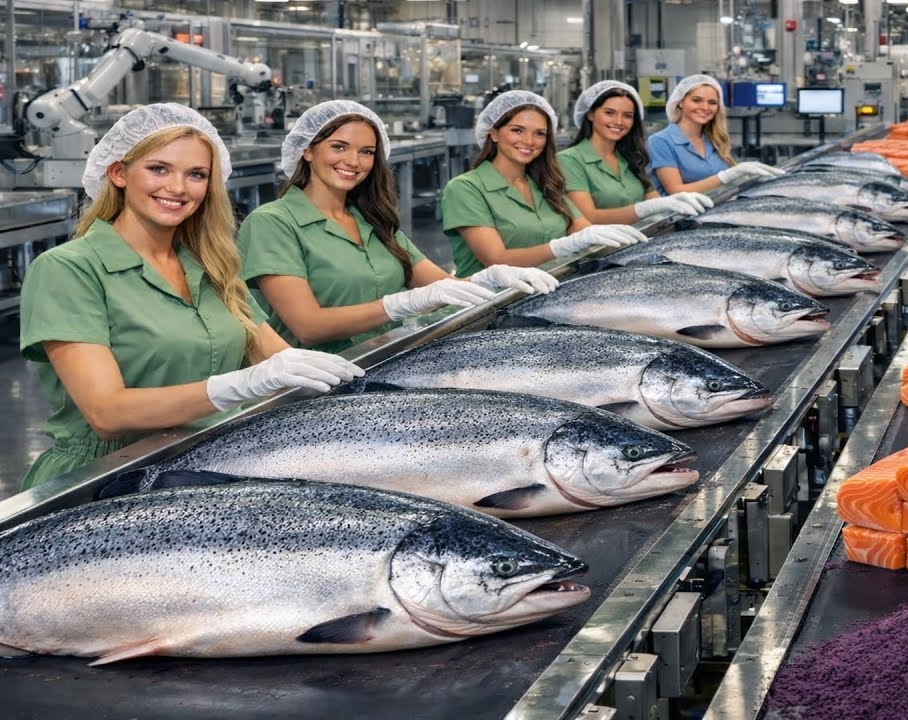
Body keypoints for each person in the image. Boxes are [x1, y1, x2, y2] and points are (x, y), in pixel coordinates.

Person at [18, 103, 362, 490]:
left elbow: (277, 358)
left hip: (203, 461)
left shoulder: (210, 267)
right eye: (158, 169)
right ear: (118, 173)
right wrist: (239, 386)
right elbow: (107, 412)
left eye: (196, 174)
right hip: (104, 478)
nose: (178, 188)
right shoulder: (68, 270)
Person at [238, 100, 557, 355]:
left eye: (366, 152)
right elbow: (308, 326)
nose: (354, 161)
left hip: (381, 359)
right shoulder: (272, 222)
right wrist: (400, 304)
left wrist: (490, 278)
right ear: (307, 150)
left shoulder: (371, 220)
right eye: (339, 147)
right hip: (313, 385)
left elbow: (443, 285)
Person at [442, 90, 648, 278]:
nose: (529, 141)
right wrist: (561, 247)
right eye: (517, 130)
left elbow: (582, 229)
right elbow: (495, 259)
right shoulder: (465, 188)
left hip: (550, 288)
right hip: (492, 300)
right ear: (493, 133)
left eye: (540, 133)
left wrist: (601, 236)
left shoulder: (544, 182)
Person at [561, 80, 714, 224]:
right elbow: (588, 217)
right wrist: (642, 210)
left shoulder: (630, 158)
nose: (619, 121)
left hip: (642, 239)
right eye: (609, 113)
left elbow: (654, 201)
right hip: (598, 245)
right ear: (590, 114)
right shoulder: (569, 160)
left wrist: (671, 207)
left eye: (627, 116)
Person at [646, 74, 784, 195]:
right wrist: (725, 177)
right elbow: (675, 191)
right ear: (680, 102)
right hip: (680, 216)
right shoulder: (660, 141)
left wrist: (748, 179)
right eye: (696, 100)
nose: (705, 107)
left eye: (712, 102)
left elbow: (726, 184)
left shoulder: (714, 139)